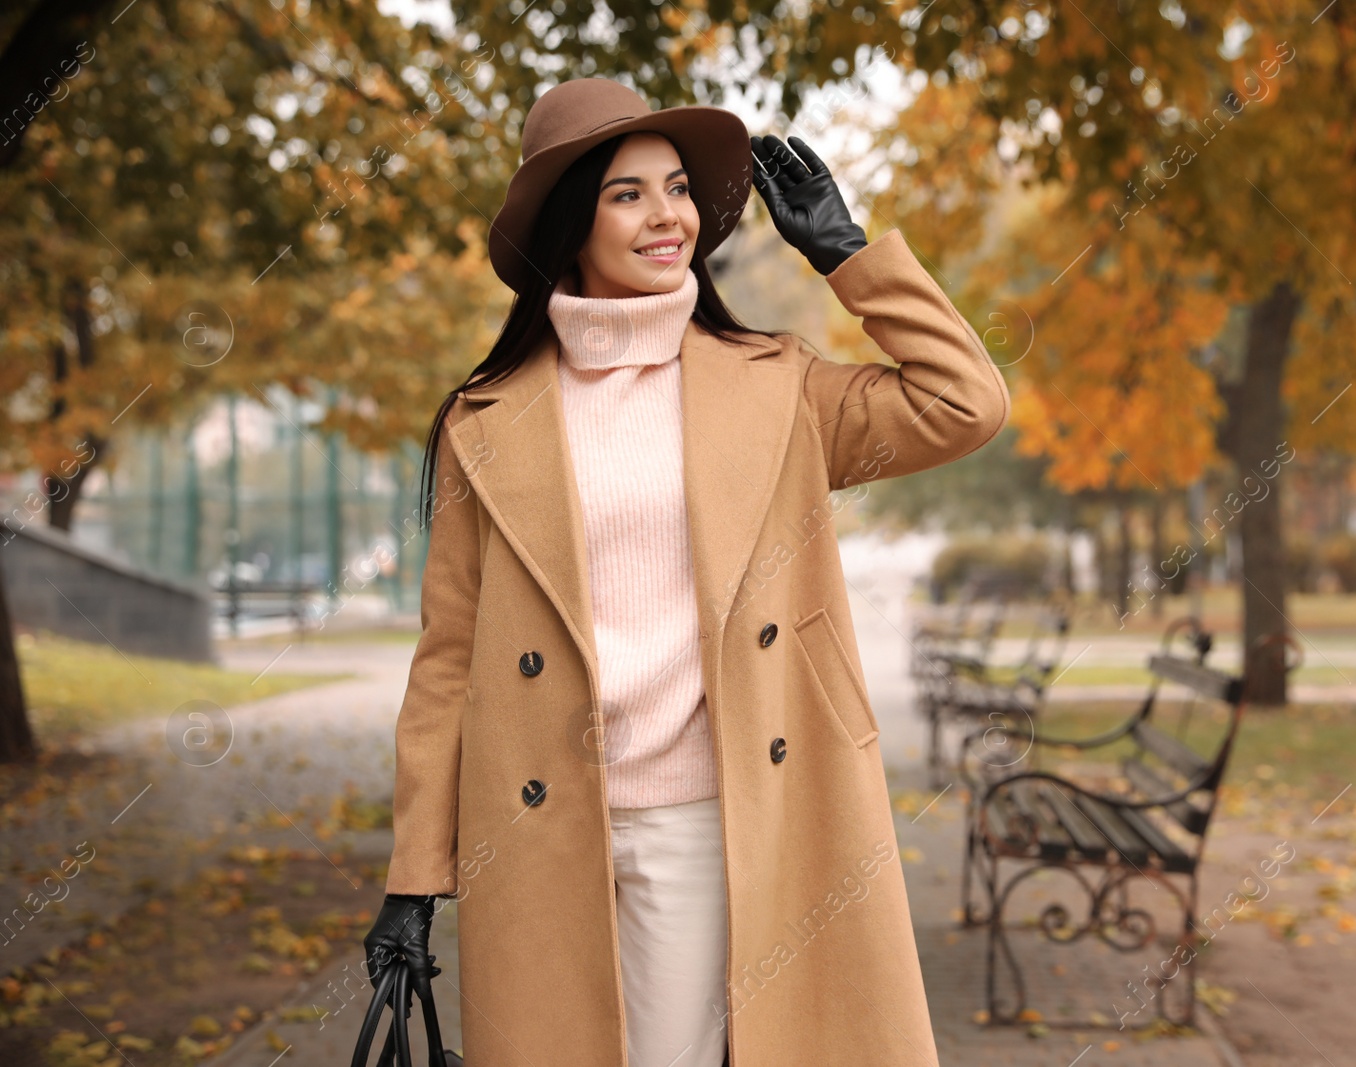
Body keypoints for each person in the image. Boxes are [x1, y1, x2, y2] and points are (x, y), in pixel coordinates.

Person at [363, 77, 1010, 1065]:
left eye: (675, 188)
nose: (667, 215)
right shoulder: (483, 417)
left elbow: (964, 403)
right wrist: (414, 872)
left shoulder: (776, 384)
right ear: (571, 219)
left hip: (697, 813)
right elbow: (448, 652)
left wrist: (847, 256)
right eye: (627, 193)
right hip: (532, 824)